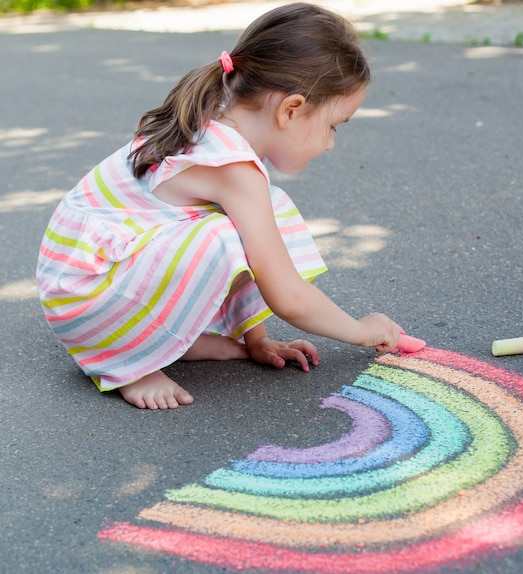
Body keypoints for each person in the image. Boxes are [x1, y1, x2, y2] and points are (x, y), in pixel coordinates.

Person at [36, 2, 402, 410]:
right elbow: (288, 294)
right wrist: (359, 330)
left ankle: (175, 339)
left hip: (93, 276)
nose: (332, 143)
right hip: (86, 299)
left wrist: (256, 338)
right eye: (333, 126)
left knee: (265, 216)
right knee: (230, 236)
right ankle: (128, 362)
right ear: (292, 109)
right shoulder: (233, 168)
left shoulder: (217, 115)